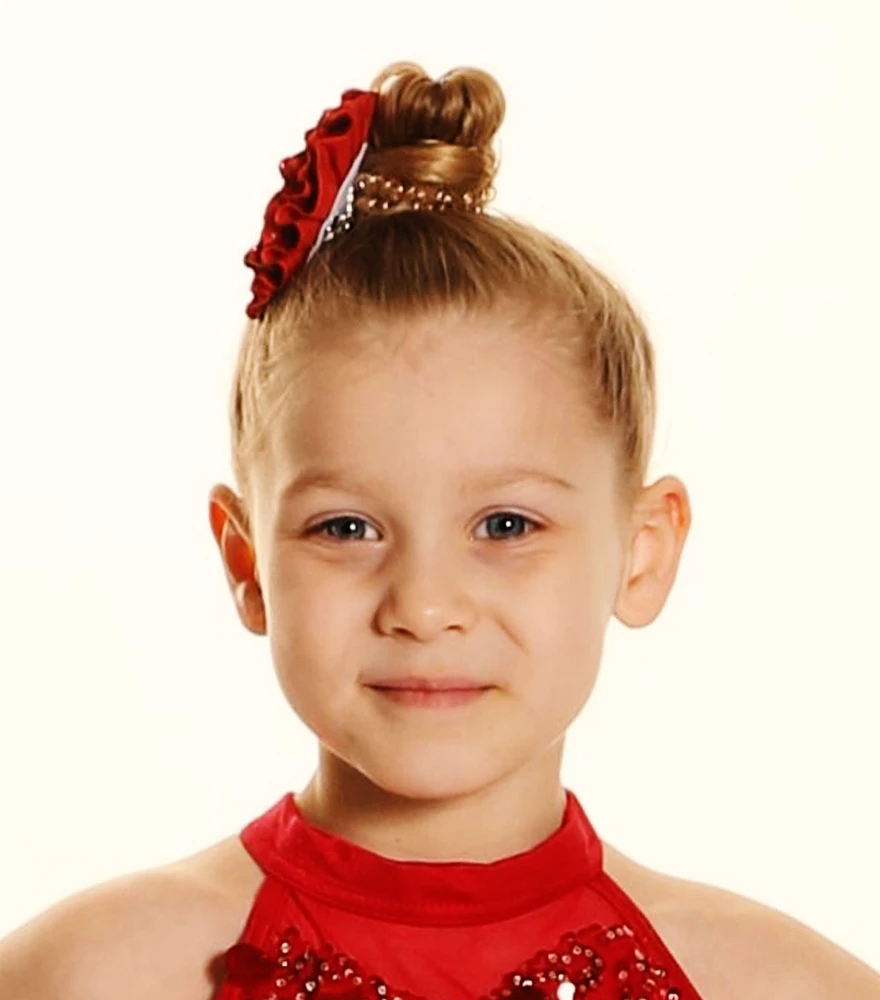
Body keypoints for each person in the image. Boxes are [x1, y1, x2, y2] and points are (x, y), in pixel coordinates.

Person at [1, 61, 878, 1000]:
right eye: (345, 527)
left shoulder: (784, 985)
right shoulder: (92, 975)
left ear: (643, 552)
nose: (423, 606)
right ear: (246, 561)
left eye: (506, 524)